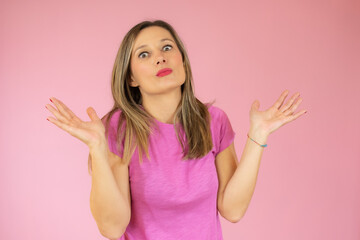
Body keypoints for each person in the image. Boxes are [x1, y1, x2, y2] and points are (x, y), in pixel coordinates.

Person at [45, 20, 307, 240]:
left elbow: (233, 210)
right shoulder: (116, 129)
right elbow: (112, 227)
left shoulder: (213, 121)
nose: (160, 57)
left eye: (167, 47)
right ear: (131, 78)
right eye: (144, 54)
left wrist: (258, 136)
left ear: (182, 60)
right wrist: (98, 151)